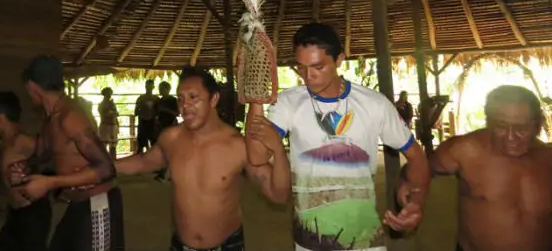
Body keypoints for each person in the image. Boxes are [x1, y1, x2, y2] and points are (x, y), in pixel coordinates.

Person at [247, 22, 430, 251]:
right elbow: (256, 156)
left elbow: (417, 156)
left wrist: (417, 201)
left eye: (318, 67)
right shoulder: (289, 102)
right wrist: (255, 98)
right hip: (309, 242)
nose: (308, 76)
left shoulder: (373, 104)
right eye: (301, 68)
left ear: (340, 59)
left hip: (365, 242)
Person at [116, 66, 291, 251]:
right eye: (181, 99)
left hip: (227, 246)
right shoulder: (171, 139)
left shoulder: (237, 146)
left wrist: (278, 150)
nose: (185, 106)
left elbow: (278, 195)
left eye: (193, 97)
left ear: (213, 99)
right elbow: (143, 162)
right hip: (180, 245)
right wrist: (103, 166)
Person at [427, 85, 552, 251]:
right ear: (489, 122)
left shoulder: (547, 158)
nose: (510, 136)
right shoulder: (465, 151)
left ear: (538, 125)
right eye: (501, 126)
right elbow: (418, 170)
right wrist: (410, 195)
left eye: (521, 128)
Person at [18, 55, 124, 251]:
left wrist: (49, 183)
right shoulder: (49, 117)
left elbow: (106, 168)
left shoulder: (70, 116)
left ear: (32, 86)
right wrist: (24, 167)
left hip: (97, 204)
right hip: (78, 204)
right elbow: (43, 155)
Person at [0, 91, 51, 251]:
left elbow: (47, 153)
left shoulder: (21, 140)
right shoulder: (4, 142)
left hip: (32, 213)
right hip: (16, 213)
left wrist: (34, 166)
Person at [135, 79, 159, 153]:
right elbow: (136, 111)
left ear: (153, 87)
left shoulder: (156, 98)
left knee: (154, 143)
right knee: (141, 144)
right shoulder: (141, 98)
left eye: (150, 86)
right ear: (145, 87)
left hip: (153, 122)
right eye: (148, 86)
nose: (149, 88)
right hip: (143, 121)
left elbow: (159, 111)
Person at [98, 87, 119, 159]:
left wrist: (117, 125)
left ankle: (114, 161)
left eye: (110, 93)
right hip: (105, 126)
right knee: (104, 145)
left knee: (113, 146)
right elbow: (104, 114)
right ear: (104, 94)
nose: (110, 95)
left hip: (113, 126)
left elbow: (116, 114)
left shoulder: (112, 104)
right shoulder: (101, 104)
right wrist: (112, 111)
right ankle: (104, 161)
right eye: (108, 94)